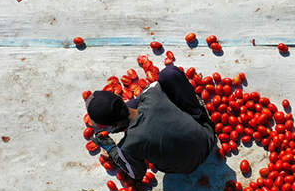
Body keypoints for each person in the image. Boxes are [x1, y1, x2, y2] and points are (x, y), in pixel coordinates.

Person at [86, 64, 216, 179]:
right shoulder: (153, 92)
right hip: (208, 137)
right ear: (121, 98)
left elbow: (137, 174)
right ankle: (198, 108)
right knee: (169, 73)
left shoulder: (127, 147)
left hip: (186, 167)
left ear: (111, 125)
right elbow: (145, 96)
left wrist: (111, 148)